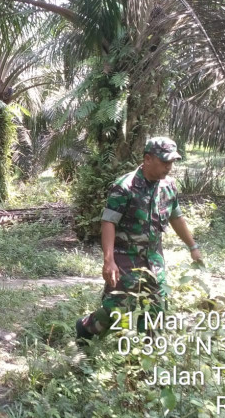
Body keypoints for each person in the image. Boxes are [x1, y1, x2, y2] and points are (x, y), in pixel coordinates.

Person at [76, 137, 202, 338]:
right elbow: (108, 222)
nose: (168, 167)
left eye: (171, 162)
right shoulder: (125, 187)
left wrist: (192, 246)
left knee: (156, 307)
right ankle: (87, 328)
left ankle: (148, 353)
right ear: (148, 159)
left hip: (153, 257)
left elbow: (175, 216)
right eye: (164, 162)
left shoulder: (168, 186)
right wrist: (109, 261)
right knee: (118, 310)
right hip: (125, 257)